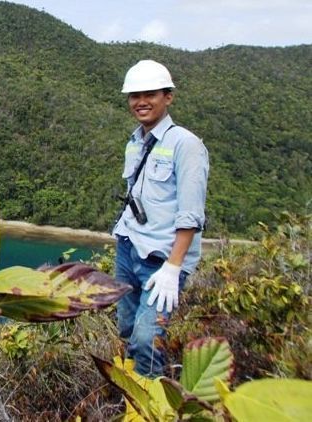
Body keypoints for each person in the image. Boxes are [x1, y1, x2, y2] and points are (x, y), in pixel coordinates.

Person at [112, 60, 209, 377]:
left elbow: (191, 214)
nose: (141, 102)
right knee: (126, 327)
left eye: (149, 94)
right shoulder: (135, 141)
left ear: (168, 97)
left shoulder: (186, 145)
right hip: (128, 249)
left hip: (163, 260)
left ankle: (153, 404)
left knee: (146, 339)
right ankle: (133, 391)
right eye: (134, 95)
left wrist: (173, 267)